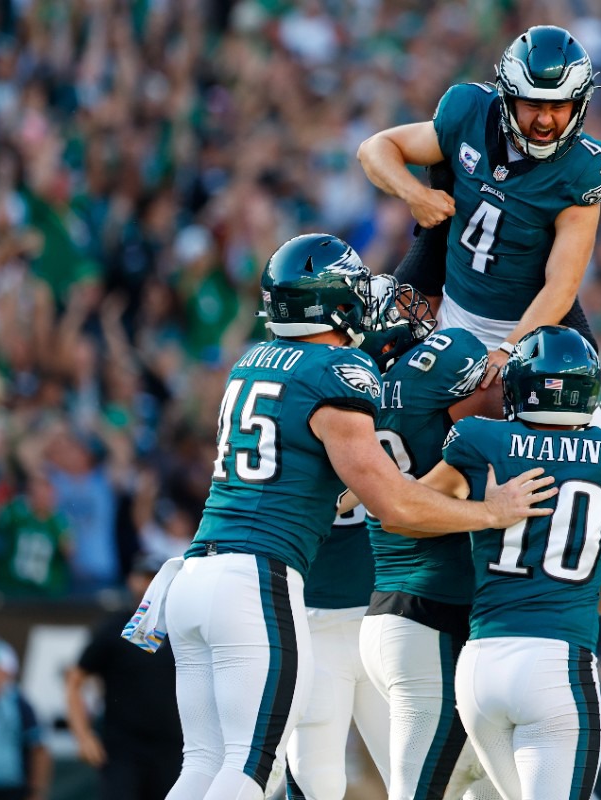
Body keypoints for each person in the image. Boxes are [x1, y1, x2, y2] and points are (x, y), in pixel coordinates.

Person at [158, 233, 556, 800]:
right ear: (334, 302)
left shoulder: (251, 361)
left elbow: (323, 485)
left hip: (196, 573)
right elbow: (391, 502)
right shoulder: (337, 370)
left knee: (200, 764)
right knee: (249, 768)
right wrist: (488, 512)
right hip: (256, 581)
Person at [385, 325, 601, 799]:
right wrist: (569, 600)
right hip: (556, 666)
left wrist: (484, 512)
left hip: (481, 668)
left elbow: (402, 515)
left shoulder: (481, 440)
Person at [358, 24, 601, 388]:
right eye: (533, 105)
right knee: (368, 376)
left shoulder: (583, 170)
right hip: (445, 304)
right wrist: (415, 195)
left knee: (576, 425)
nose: (545, 120)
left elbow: (562, 285)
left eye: (558, 106)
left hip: (529, 332)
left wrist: (510, 349)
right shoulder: (470, 113)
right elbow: (375, 148)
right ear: (508, 97)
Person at [284, 280, 438, 800]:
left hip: (355, 611)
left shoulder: (308, 382)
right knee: (386, 778)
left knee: (328, 776)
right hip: (347, 613)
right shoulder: (337, 389)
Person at [355, 317, 495, 800]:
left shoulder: (358, 400)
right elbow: (488, 397)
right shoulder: (430, 373)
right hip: (431, 617)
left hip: (391, 612)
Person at [66, 552, 184, 800]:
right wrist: (83, 734)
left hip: (173, 750)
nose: (150, 584)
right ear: (132, 580)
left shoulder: (183, 628)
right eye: (145, 577)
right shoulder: (114, 628)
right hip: (123, 752)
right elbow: (75, 680)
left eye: (156, 578)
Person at [0, 633, 52, 800]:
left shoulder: (20, 704)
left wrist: (37, 792)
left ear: (6, 672)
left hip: (12, 790)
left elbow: (39, 749)